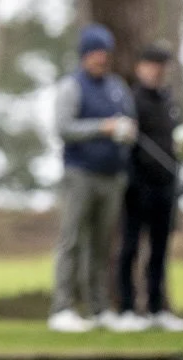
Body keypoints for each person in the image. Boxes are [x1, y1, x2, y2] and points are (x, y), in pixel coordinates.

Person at [48, 24, 137, 334]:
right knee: (71, 240)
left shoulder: (116, 87)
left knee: (101, 246)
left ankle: (99, 309)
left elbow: (129, 123)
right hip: (80, 174)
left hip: (112, 176)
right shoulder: (72, 86)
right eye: (97, 53)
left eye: (105, 53)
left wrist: (126, 132)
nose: (102, 59)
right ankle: (62, 308)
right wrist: (103, 128)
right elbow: (63, 128)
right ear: (85, 55)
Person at [111, 44, 183, 332]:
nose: (157, 70)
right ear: (140, 67)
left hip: (165, 185)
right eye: (152, 64)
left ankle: (157, 309)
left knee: (159, 249)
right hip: (136, 185)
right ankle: (127, 309)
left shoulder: (168, 100)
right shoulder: (130, 100)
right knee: (130, 247)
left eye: (162, 65)